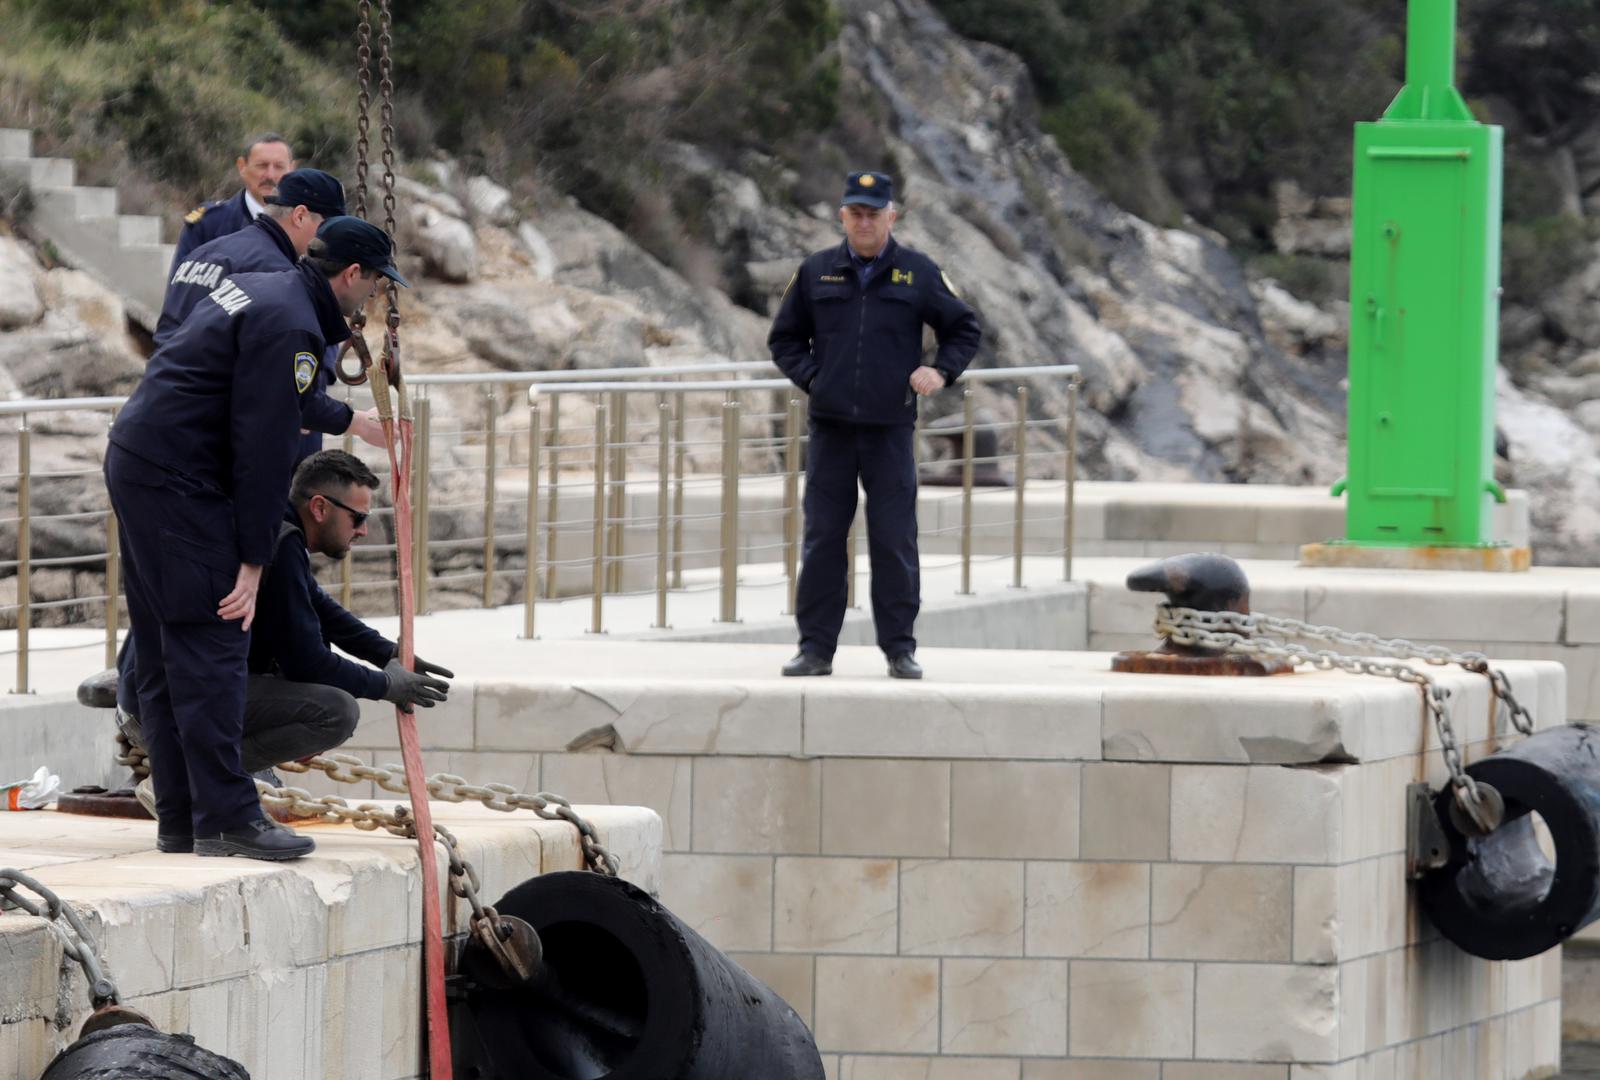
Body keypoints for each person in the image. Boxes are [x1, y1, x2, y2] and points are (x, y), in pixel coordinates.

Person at [105, 215, 407, 861]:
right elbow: (264, 452)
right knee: (213, 644)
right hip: (181, 481)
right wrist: (251, 560)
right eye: (376, 284)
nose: (373, 298)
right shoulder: (294, 324)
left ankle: (182, 818)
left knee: (162, 649)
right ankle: (227, 819)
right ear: (352, 274)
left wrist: (351, 420)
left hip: (143, 460)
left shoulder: (270, 289)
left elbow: (276, 392)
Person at [115, 451, 453, 794]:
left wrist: (388, 653)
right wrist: (386, 686)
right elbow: (308, 662)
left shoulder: (268, 523)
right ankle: (187, 782)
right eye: (358, 518)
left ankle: (196, 775)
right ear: (319, 508)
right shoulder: (281, 542)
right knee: (335, 711)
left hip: (146, 694)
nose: (363, 531)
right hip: (163, 708)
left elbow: (321, 607)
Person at [768, 171, 981, 680]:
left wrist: (941, 371)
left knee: (894, 542)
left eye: (873, 213)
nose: (864, 222)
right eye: (856, 213)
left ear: (892, 216)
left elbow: (963, 328)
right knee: (823, 541)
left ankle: (900, 650)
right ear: (842, 216)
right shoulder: (817, 271)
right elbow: (784, 340)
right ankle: (815, 650)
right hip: (831, 432)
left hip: (890, 431)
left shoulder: (918, 272)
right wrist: (815, 380)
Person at [155, 167, 384, 460]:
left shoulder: (206, 252)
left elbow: (170, 335)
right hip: (221, 440)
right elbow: (287, 393)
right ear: (300, 216)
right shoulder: (277, 275)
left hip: (171, 420)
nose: (331, 239)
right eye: (328, 226)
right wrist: (345, 420)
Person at [170, 133, 296, 274]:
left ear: (292, 169)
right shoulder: (208, 225)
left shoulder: (304, 225)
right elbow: (181, 284)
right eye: (262, 166)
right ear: (242, 166)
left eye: (279, 167)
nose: (270, 175)